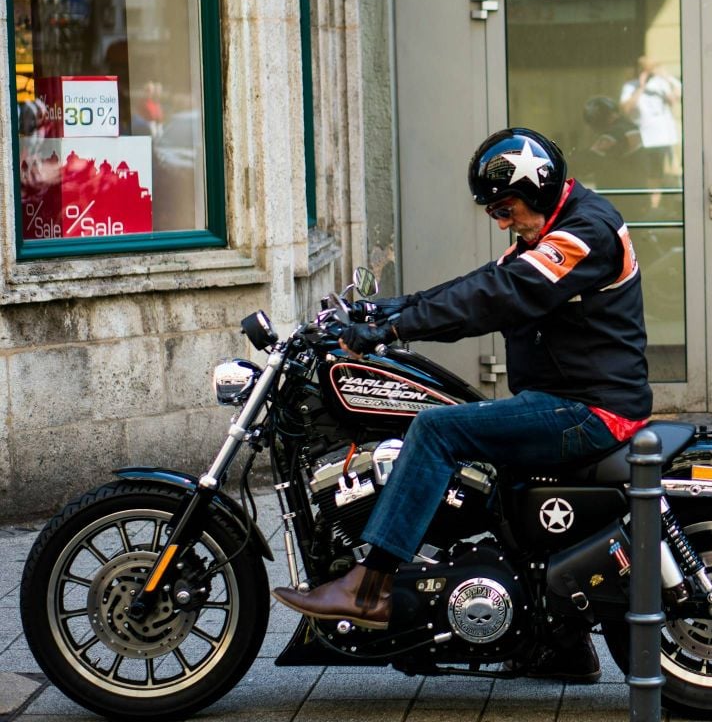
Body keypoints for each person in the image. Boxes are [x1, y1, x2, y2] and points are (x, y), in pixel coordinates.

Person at [272, 127, 652, 683]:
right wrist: (384, 311)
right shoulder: (552, 228)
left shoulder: (583, 234)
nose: (500, 219)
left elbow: (500, 296)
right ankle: (560, 646)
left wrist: (398, 327)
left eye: (505, 207)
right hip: (563, 398)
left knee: (436, 430)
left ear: (539, 188)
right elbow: (482, 284)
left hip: (588, 410)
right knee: (491, 486)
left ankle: (369, 586)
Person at [619, 56, 681, 186]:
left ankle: (656, 204)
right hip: (644, 138)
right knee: (645, 176)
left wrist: (667, 77)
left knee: (662, 175)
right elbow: (626, 108)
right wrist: (641, 87)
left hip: (663, 137)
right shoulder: (631, 86)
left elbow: (674, 98)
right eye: (646, 69)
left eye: (652, 69)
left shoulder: (661, 84)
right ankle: (649, 204)